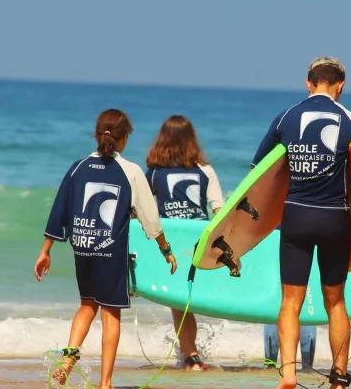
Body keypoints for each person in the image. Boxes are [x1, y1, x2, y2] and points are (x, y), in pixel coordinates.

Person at [34, 109, 177, 389]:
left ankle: (67, 363)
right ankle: (105, 383)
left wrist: (46, 250)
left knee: (87, 305)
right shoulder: (131, 171)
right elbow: (151, 218)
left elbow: (59, 209)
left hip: (83, 247)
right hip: (110, 250)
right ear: (124, 140)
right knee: (111, 314)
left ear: (97, 135)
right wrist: (165, 249)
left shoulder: (78, 166)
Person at [251, 57, 351, 389]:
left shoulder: (285, 118)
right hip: (335, 220)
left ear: (308, 83)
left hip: (296, 217)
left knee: (291, 301)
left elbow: (258, 172)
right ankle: (339, 377)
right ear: (340, 85)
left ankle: (288, 372)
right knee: (335, 301)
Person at [145, 115, 225, 371]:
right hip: (198, 243)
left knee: (179, 302)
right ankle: (190, 354)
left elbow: (142, 209)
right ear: (191, 139)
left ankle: (189, 355)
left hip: (168, 244)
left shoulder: (154, 172)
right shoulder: (204, 170)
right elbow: (219, 209)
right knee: (187, 299)